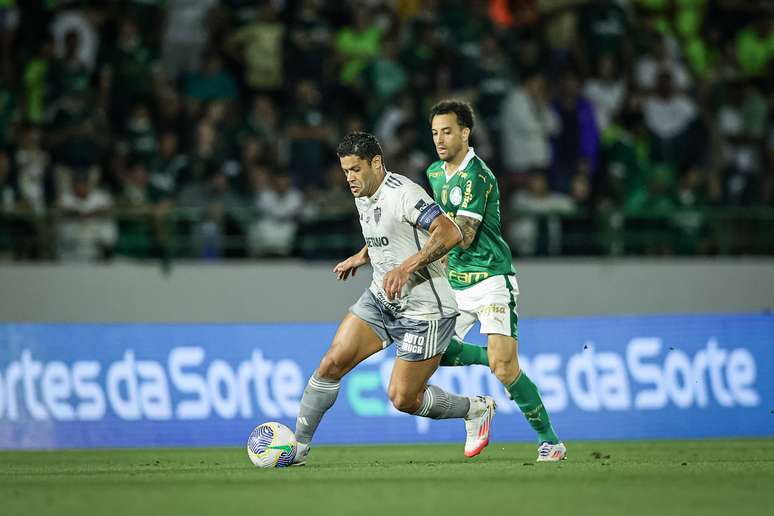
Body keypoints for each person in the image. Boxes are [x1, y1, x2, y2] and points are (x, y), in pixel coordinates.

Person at [293, 132, 496, 465]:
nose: (350, 179)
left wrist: (406, 267)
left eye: (356, 170)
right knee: (331, 363)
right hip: (382, 299)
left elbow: (449, 231)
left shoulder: (404, 194)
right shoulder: (363, 195)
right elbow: (388, 233)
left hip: (427, 311)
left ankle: (475, 409)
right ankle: (297, 448)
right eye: (345, 172)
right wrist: (364, 255)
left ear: (376, 163)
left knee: (403, 398)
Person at [425, 100, 566, 462]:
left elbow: (465, 235)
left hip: (489, 278)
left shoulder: (478, 175)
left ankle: (550, 441)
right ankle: (490, 365)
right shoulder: (435, 174)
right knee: (433, 353)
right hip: (454, 283)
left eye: (448, 131)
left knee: (506, 368)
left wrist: (416, 260)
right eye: (435, 132)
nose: (440, 139)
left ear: (465, 132)